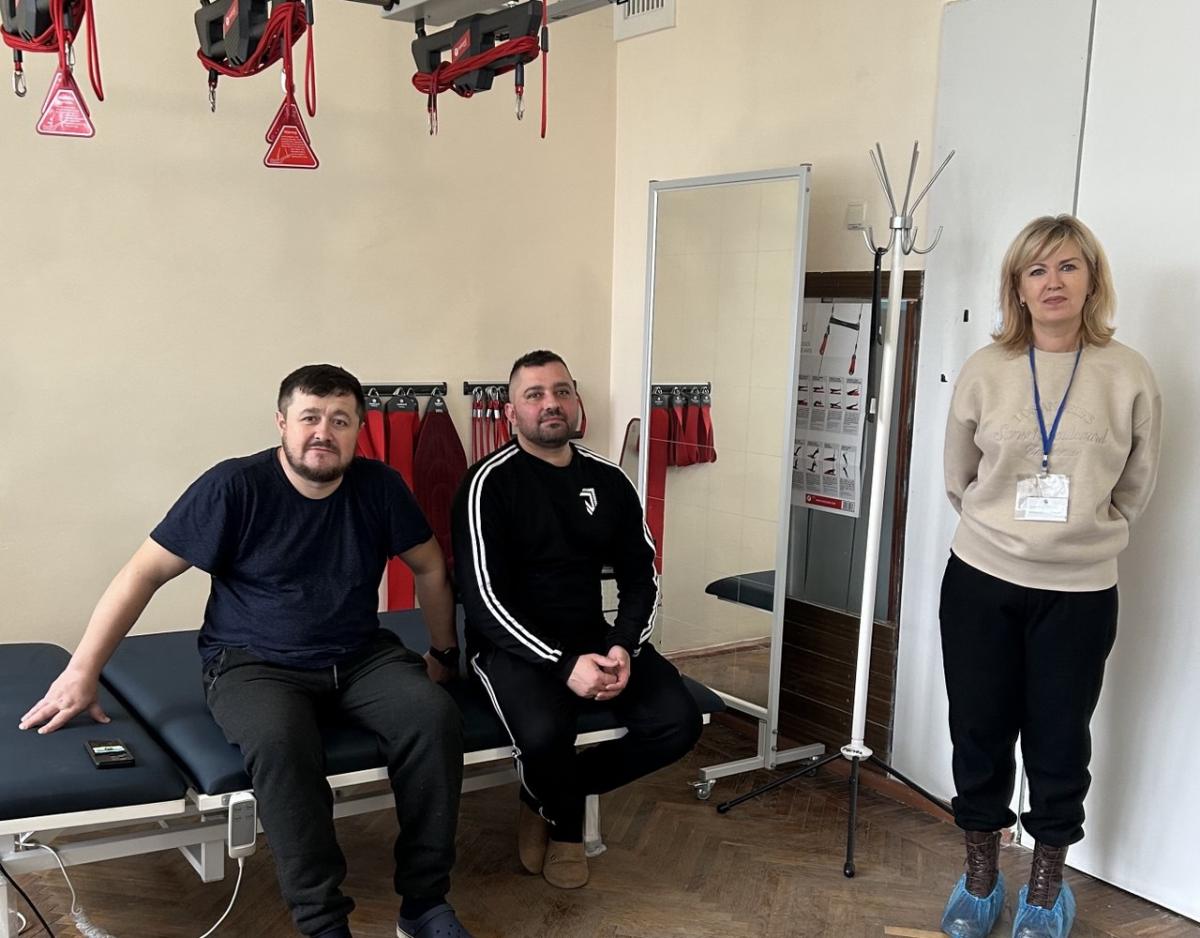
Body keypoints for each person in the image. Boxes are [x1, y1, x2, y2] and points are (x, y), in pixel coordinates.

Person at [20, 364, 476, 938]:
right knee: (281, 742)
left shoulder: (379, 487)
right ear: (282, 422)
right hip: (253, 663)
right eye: (310, 417)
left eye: (340, 420)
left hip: (361, 656)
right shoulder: (234, 486)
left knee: (434, 718)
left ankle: (424, 905)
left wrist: (443, 651)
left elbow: (430, 565)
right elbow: (143, 572)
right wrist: (82, 671)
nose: (323, 432)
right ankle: (323, 922)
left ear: (359, 429)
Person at [938, 217, 1161, 938]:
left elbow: (1136, 484)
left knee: (1061, 743)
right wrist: (1007, 531)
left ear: (1092, 280)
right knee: (978, 733)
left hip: (1080, 592)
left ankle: (1045, 890)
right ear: (1018, 287)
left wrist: (1080, 537)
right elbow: (958, 477)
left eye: (1068, 267)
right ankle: (980, 879)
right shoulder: (985, 369)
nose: (1053, 282)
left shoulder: (1128, 373)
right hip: (982, 580)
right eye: (1037, 270)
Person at [451, 349, 702, 889]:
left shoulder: (608, 479)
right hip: (510, 646)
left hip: (593, 634)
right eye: (534, 395)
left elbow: (641, 577)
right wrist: (564, 664)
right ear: (511, 412)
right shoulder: (486, 484)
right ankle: (565, 825)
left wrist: (623, 646)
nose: (551, 403)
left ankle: (545, 797)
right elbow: (483, 600)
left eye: (561, 391)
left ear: (576, 402)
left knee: (679, 724)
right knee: (546, 735)